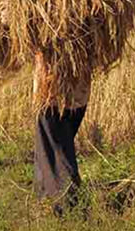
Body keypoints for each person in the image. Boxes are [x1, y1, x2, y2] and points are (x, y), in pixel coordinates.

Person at [32, 52, 91, 203]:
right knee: (52, 148)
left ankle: (67, 203)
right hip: (78, 96)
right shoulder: (91, 30)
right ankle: (45, 196)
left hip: (52, 95)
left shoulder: (51, 31)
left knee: (56, 151)